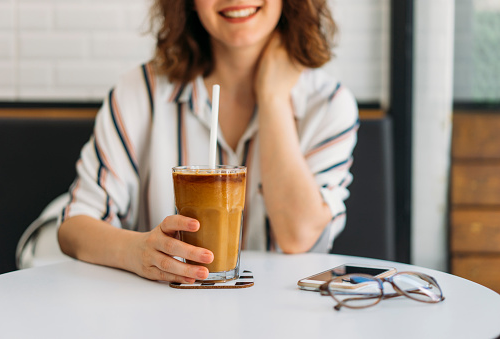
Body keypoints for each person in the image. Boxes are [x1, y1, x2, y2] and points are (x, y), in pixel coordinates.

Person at [57, 0, 359, 284]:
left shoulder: (329, 105)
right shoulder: (140, 93)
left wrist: (272, 99)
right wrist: (136, 251)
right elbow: (73, 228)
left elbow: (298, 238)